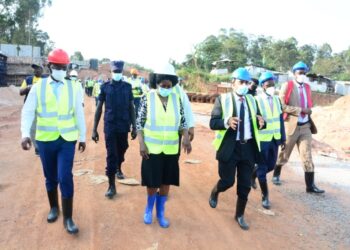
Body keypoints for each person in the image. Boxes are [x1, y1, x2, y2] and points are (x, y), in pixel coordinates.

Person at [20, 48, 86, 234]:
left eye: (63, 67)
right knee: (50, 177)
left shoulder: (74, 86)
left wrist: (82, 137)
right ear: (50, 66)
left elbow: (79, 114)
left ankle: (68, 218)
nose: (60, 70)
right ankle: (54, 208)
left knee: (65, 176)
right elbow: (28, 112)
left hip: (67, 140)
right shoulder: (37, 87)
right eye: (57, 66)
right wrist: (25, 133)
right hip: (46, 140)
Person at [208, 67, 265, 230]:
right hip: (229, 148)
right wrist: (226, 122)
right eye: (241, 82)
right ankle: (215, 191)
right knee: (227, 181)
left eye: (247, 83)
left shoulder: (253, 101)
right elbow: (213, 123)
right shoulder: (223, 99)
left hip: (247, 148)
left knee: (245, 185)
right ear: (233, 83)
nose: (245, 86)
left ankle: (239, 215)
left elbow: (260, 121)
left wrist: (263, 122)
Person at [136, 63, 192, 228]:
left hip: (170, 149)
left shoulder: (177, 99)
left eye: (169, 85)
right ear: (157, 83)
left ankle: (160, 213)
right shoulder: (148, 97)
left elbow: (183, 121)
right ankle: (148, 209)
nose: (166, 88)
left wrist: (186, 137)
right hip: (151, 149)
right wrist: (141, 144)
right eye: (163, 85)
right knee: (152, 182)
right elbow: (139, 123)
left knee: (166, 182)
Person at [272, 61, 325, 194]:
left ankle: (310, 186)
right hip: (291, 125)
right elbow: (282, 106)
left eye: (304, 73)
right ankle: (276, 174)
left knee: (307, 156)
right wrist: (300, 110)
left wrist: (308, 110)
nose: (302, 75)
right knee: (284, 153)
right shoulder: (287, 86)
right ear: (294, 73)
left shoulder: (307, 87)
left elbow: (308, 103)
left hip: (306, 126)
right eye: (300, 73)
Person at [92, 60, 137, 198]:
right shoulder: (105, 87)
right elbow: (99, 108)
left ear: (122, 72)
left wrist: (134, 126)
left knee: (123, 148)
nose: (117, 73)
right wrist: (94, 129)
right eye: (115, 71)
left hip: (123, 125)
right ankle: (111, 185)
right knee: (111, 154)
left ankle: (118, 167)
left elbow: (131, 107)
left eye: (119, 71)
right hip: (110, 126)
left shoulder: (127, 87)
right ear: (111, 72)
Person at [252, 72, 286, 209]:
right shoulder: (256, 100)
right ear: (263, 86)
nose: (271, 87)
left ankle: (252, 175)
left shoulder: (277, 100)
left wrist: (283, 138)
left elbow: (280, 120)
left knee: (271, 166)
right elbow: (254, 120)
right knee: (262, 168)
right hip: (262, 140)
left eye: (273, 84)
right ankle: (265, 196)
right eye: (268, 84)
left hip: (274, 139)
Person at [19, 63, 45, 155]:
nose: (35, 70)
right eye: (34, 69)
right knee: (32, 129)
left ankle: (43, 146)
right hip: (30, 109)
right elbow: (21, 92)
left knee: (42, 128)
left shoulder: (46, 80)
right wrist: (28, 88)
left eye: (37, 68)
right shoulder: (28, 79)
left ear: (42, 70)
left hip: (43, 108)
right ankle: (37, 148)